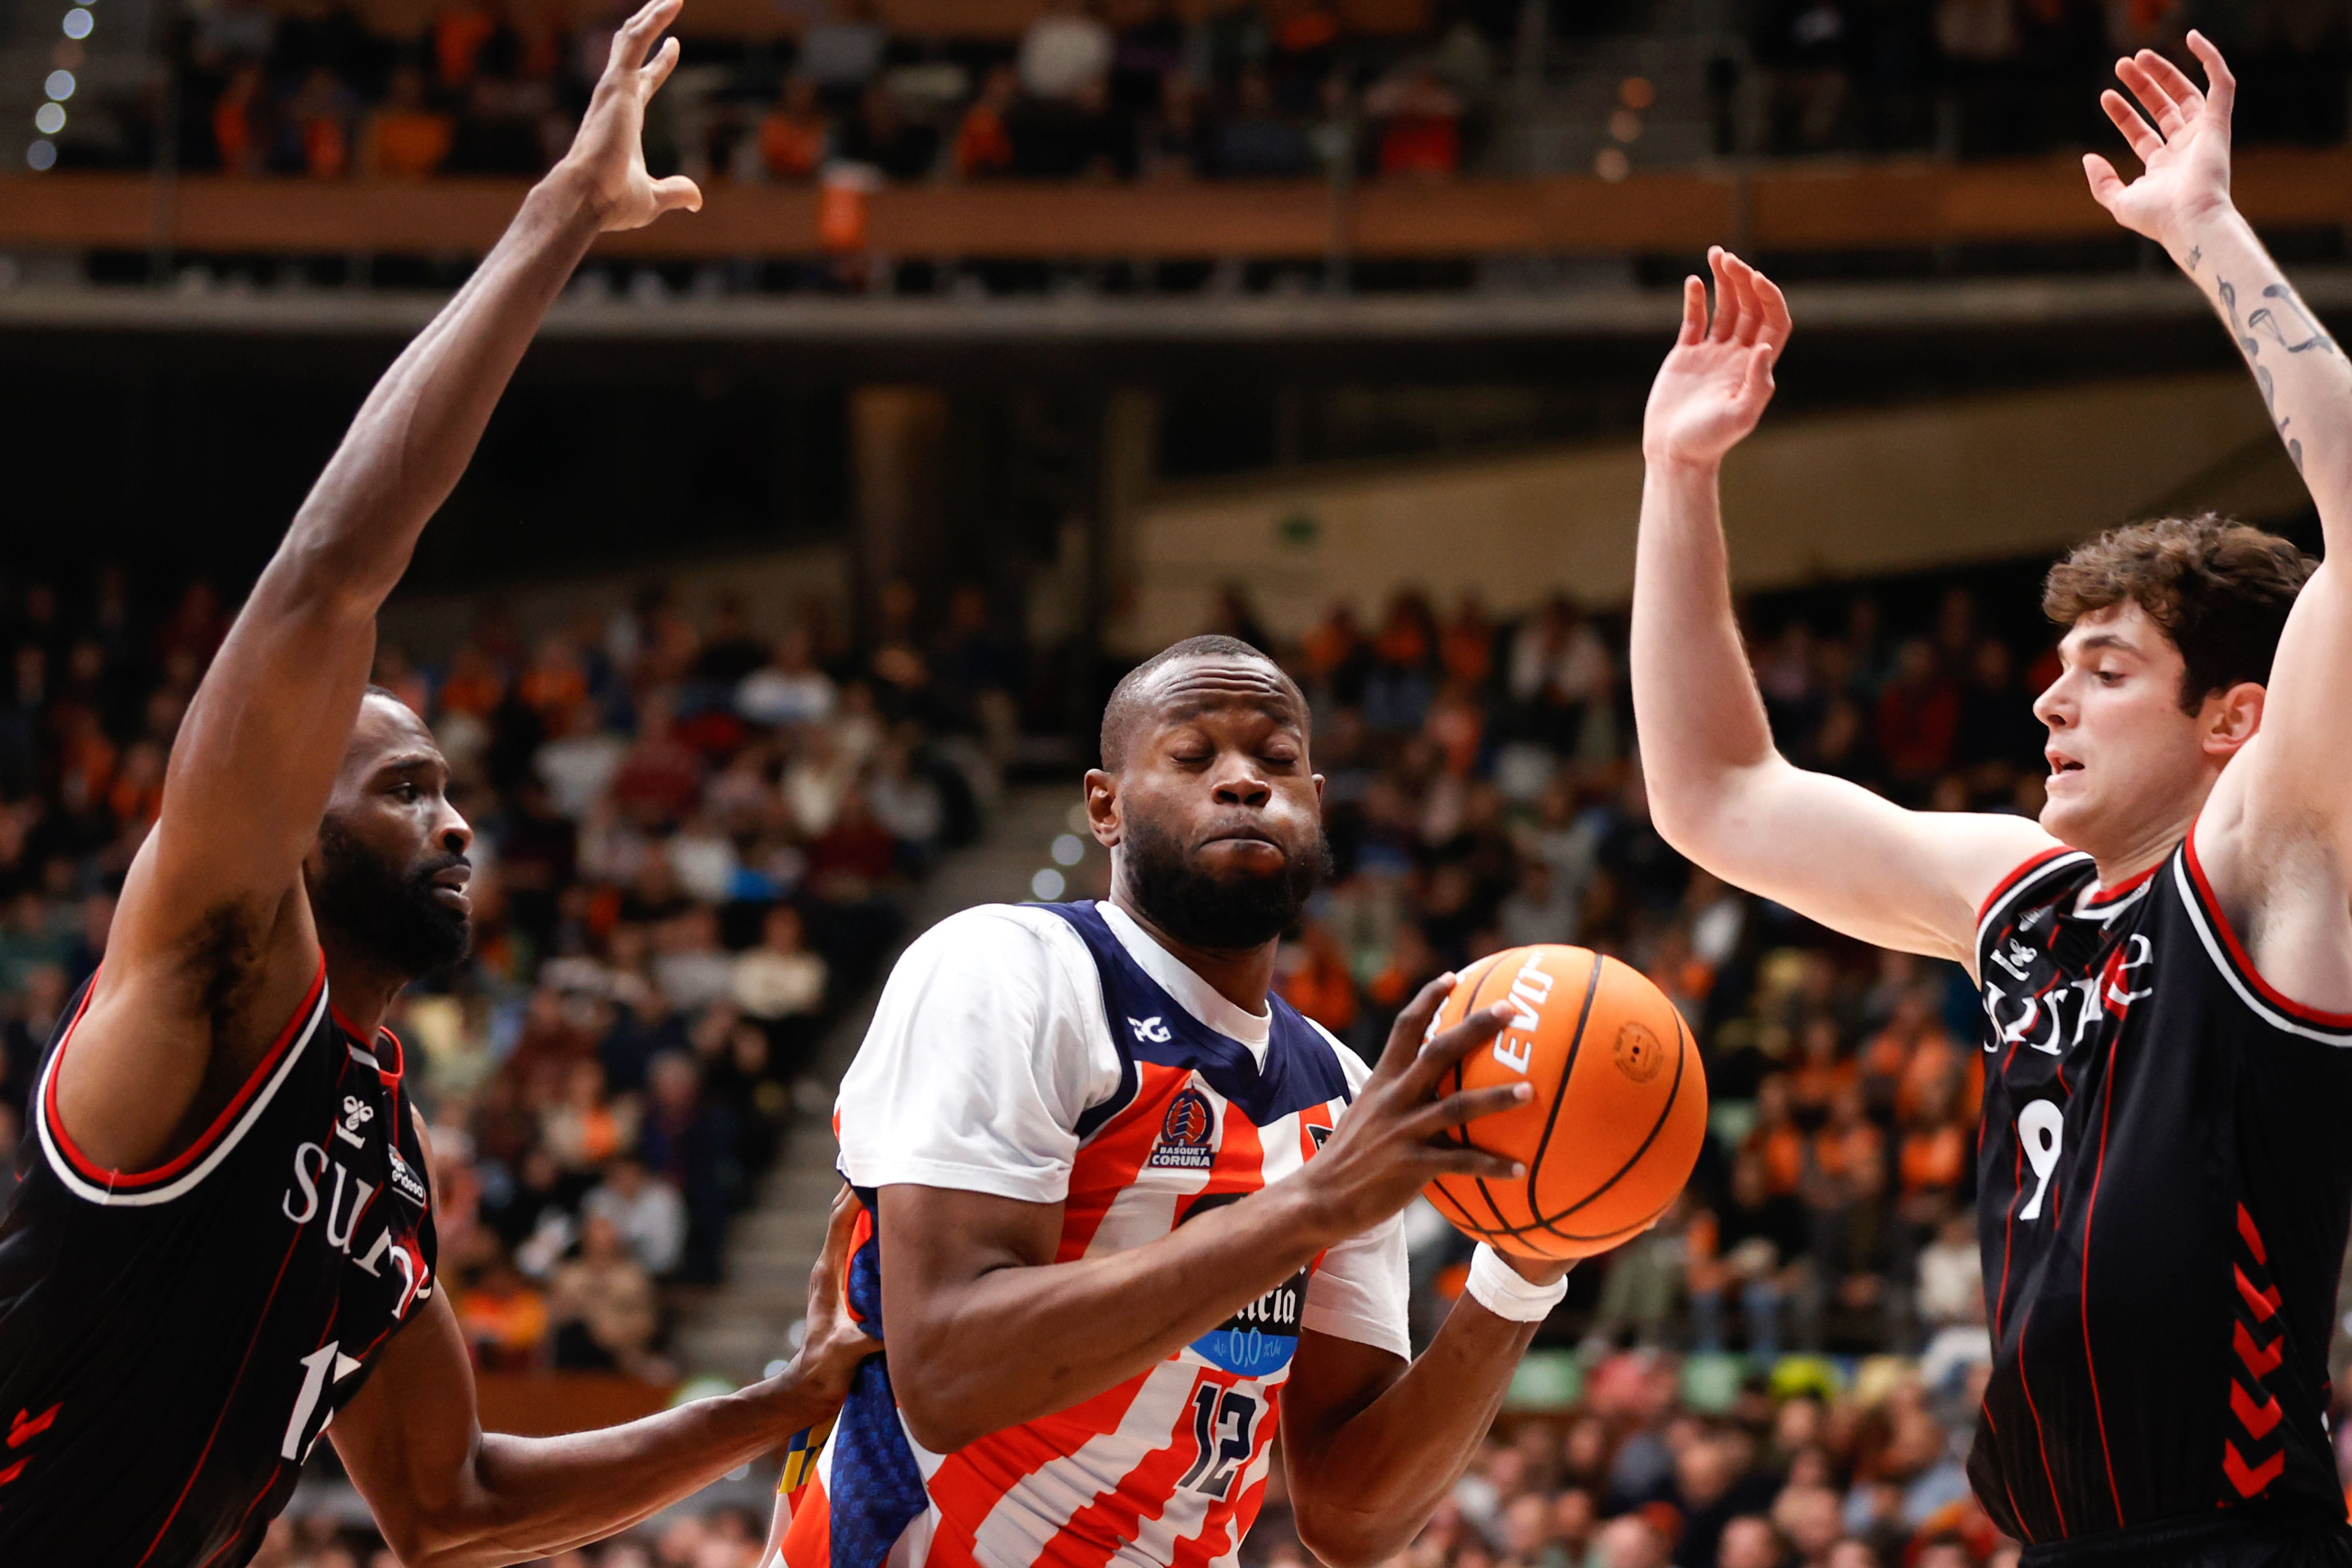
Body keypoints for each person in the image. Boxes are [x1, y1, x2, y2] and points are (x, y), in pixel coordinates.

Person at [0, 5, 875, 1563]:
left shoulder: (385, 1158)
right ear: (292, 815)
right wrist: (558, 220)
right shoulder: (207, 967)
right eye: (403, 785)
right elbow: (326, 583)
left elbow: (449, 1509)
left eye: (450, 788)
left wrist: (773, 1402)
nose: (458, 818)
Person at [1631, 31, 2352, 1564]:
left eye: (2102, 669)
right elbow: (1711, 793)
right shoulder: (2020, 905)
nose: (2045, 699)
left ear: (2237, 717)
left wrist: (2201, 230)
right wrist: (1677, 480)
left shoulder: (2272, 860)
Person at [770, 633, 1574, 1568]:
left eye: (1276, 760)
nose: (1242, 781)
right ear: (1104, 806)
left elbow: (1351, 1518)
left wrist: (1525, 1266)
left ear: (1315, 808)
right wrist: (1309, 1207)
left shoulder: (1347, 1094)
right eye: (1193, 756)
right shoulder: (1012, 970)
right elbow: (948, 1374)